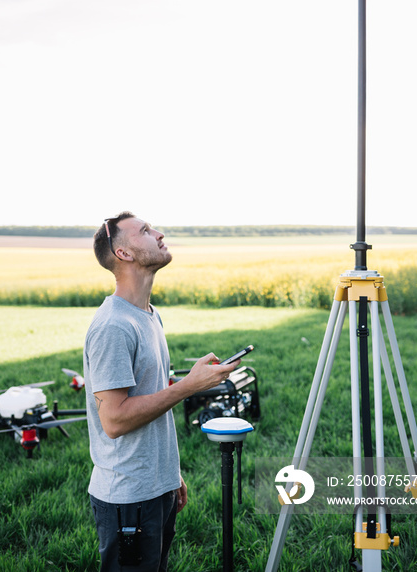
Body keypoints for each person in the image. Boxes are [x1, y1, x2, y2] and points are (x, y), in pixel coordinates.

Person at [84, 211, 240, 572]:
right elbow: (116, 419)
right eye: (145, 230)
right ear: (123, 253)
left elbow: (150, 398)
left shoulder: (149, 315)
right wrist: (189, 386)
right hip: (128, 497)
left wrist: (171, 475)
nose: (159, 233)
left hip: (156, 487)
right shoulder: (113, 327)